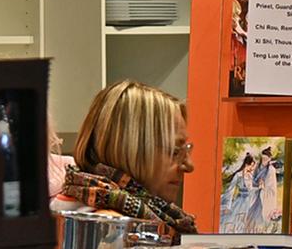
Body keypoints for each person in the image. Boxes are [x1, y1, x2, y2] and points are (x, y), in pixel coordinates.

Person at [54, 80, 196, 237]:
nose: (189, 165)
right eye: (175, 151)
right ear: (132, 149)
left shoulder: (150, 216)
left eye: (186, 150)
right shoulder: (109, 228)